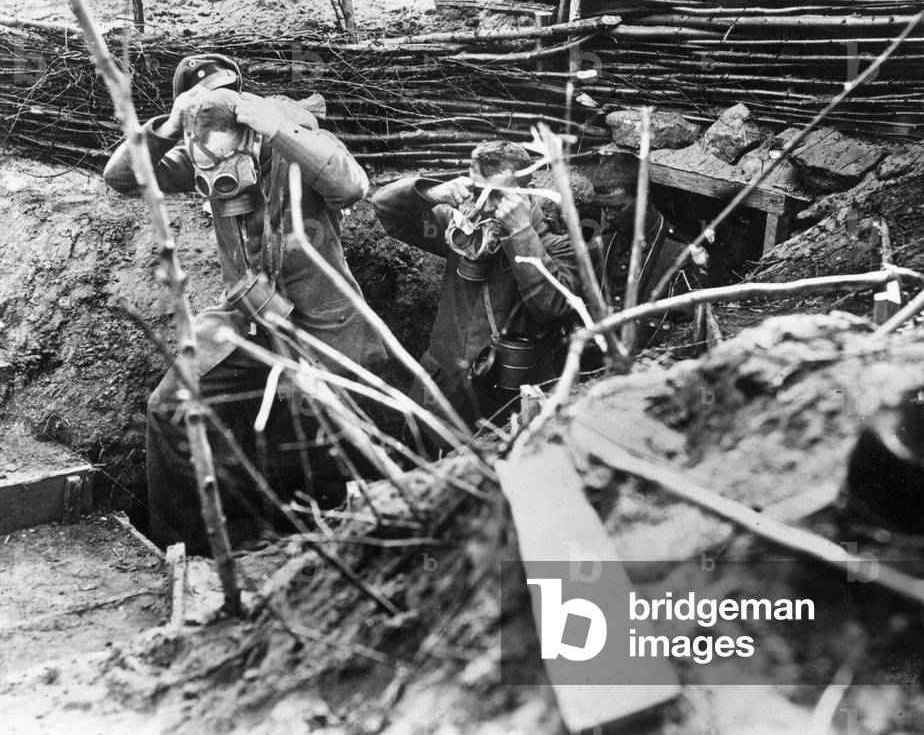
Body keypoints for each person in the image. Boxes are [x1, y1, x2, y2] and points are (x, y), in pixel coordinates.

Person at [104, 53, 385, 551]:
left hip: (324, 317)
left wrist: (277, 129)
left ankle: (344, 554)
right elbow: (120, 179)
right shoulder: (194, 149)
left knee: (330, 439)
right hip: (247, 314)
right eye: (208, 165)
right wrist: (167, 129)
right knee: (170, 407)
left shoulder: (292, 142)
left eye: (232, 162)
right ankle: (193, 549)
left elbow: (352, 187)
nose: (221, 177)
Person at [370, 141, 579, 434]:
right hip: (442, 390)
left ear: (526, 192)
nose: (486, 206)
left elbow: (553, 308)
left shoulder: (555, 246)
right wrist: (432, 193)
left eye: (499, 196)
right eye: (479, 193)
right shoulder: (464, 231)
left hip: (504, 401)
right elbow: (384, 206)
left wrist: (520, 232)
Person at [587, 151, 696, 351]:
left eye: (617, 207)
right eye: (603, 207)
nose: (608, 217)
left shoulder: (682, 258)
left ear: (644, 199)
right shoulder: (601, 245)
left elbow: (689, 339)